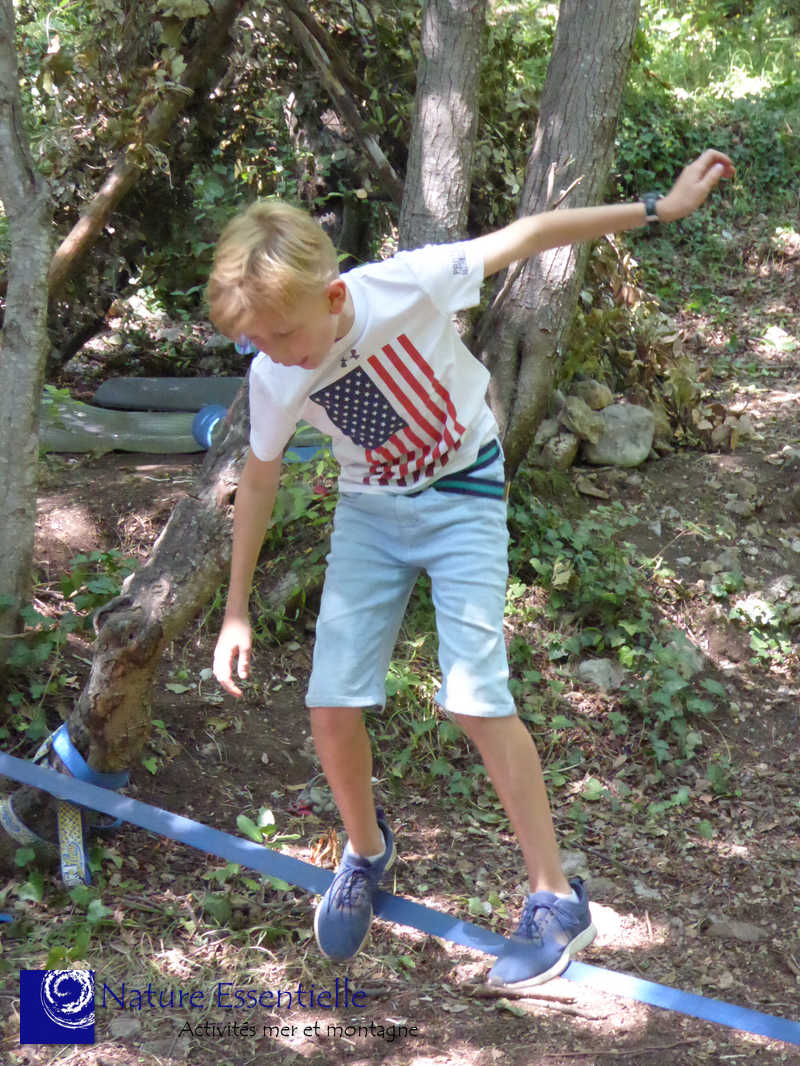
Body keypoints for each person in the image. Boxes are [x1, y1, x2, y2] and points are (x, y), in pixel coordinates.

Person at [207, 149, 734, 990]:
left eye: (279, 335)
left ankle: (555, 900)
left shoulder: (403, 285)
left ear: (333, 297)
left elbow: (531, 233)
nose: (270, 355)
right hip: (371, 511)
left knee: (474, 699)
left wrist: (657, 209)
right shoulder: (275, 371)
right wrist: (236, 606)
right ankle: (367, 851)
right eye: (254, 341)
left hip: (463, 492)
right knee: (330, 705)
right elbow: (261, 477)